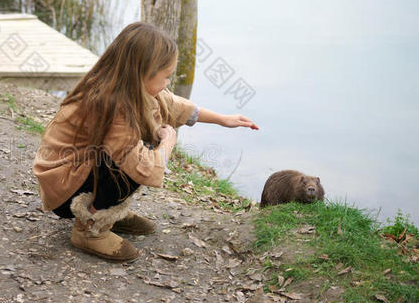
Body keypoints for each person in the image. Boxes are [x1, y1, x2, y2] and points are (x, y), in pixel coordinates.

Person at [33, 22, 258, 262]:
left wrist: (222, 119)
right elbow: (144, 168)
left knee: (141, 143)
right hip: (66, 190)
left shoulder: (124, 85)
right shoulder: (112, 105)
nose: (168, 83)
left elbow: (172, 103)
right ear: (142, 73)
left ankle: (108, 210)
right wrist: (168, 142)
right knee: (136, 159)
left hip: (76, 173)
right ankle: (91, 227)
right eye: (167, 76)